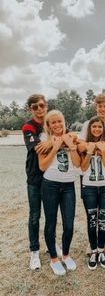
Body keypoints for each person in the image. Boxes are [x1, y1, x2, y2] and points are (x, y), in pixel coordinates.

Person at [38, 110, 80, 276]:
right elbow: (42, 166)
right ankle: (54, 258)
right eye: (53, 122)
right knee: (51, 222)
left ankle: (66, 254)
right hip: (50, 185)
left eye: (59, 121)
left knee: (69, 224)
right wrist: (55, 146)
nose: (57, 125)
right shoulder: (44, 140)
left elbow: (77, 163)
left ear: (65, 122)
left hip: (68, 185)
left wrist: (70, 144)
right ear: (48, 126)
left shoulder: (72, 137)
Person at [79, 94, 105, 255]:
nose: (102, 109)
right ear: (96, 107)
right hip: (88, 172)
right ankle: (92, 242)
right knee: (91, 210)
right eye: (99, 106)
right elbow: (81, 145)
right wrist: (99, 147)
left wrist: (94, 147)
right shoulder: (88, 123)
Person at [22, 94, 53, 270]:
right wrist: (54, 141)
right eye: (35, 107)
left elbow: (64, 138)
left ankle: (50, 245)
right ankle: (34, 251)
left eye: (41, 105)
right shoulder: (28, 126)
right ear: (30, 109)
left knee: (50, 215)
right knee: (35, 216)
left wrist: (55, 141)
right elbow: (35, 147)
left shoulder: (51, 123)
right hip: (34, 177)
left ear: (46, 106)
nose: (39, 109)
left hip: (51, 177)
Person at [80, 116, 105, 270]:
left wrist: (103, 150)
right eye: (94, 127)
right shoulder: (83, 144)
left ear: (103, 129)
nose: (97, 129)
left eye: (100, 127)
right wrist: (89, 152)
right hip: (89, 187)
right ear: (89, 128)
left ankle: (101, 251)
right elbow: (83, 168)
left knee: (103, 219)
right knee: (92, 218)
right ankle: (93, 251)